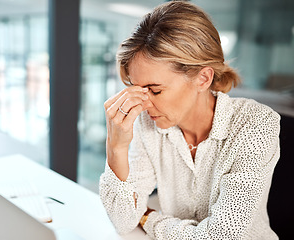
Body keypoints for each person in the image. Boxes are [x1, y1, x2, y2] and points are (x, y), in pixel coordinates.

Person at [99, 1, 280, 239]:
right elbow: (123, 222)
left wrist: (150, 218)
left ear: (203, 78)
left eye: (155, 90)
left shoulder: (255, 125)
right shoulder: (147, 123)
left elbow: (221, 236)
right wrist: (116, 147)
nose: (143, 104)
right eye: (137, 90)